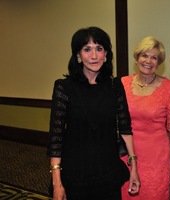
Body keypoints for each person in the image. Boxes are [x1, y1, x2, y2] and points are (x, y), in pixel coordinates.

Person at [46, 26, 140, 200]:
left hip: (107, 170)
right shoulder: (64, 87)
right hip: (75, 172)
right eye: (87, 49)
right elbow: (56, 138)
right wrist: (57, 183)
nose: (94, 56)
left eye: (99, 49)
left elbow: (126, 128)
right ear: (78, 56)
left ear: (106, 54)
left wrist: (134, 167)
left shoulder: (115, 86)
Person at [120, 36, 170, 199]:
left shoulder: (168, 88)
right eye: (145, 55)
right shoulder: (122, 84)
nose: (148, 61)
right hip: (126, 155)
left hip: (157, 158)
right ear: (137, 58)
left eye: (154, 57)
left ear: (159, 63)